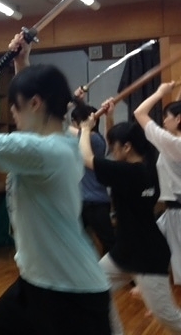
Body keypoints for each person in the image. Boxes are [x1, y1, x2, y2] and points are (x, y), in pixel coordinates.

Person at [0, 32, 110, 334]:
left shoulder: (40, 151)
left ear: (36, 103)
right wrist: (21, 62)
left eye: (16, 106)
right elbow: (37, 121)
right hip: (36, 282)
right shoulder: (65, 140)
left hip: (72, 294)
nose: (13, 113)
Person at [80, 102, 181, 333]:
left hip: (146, 256)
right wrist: (110, 118)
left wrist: (86, 128)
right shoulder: (146, 167)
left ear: (127, 147)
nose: (111, 151)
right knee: (93, 288)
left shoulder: (127, 172)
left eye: (114, 146)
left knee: (169, 318)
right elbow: (113, 157)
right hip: (126, 251)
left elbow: (87, 157)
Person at [134, 82, 181, 285]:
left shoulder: (173, 144)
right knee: (146, 245)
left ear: (178, 119)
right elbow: (177, 110)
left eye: (166, 117)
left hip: (178, 213)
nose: (163, 121)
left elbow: (140, 113)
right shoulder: (173, 141)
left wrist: (160, 92)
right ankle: (147, 287)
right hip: (172, 212)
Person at [70, 102, 115, 255]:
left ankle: (115, 269)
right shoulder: (95, 139)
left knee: (109, 243)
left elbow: (59, 127)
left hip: (94, 202)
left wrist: (71, 102)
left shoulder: (91, 139)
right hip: (86, 201)